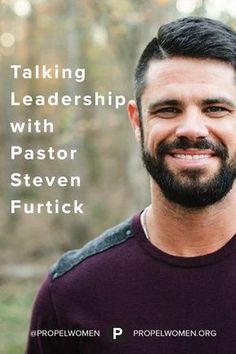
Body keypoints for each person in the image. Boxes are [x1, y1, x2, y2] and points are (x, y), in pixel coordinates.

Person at [25, 16, 236, 354]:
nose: (192, 129)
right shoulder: (71, 293)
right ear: (137, 122)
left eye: (215, 108)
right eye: (168, 109)